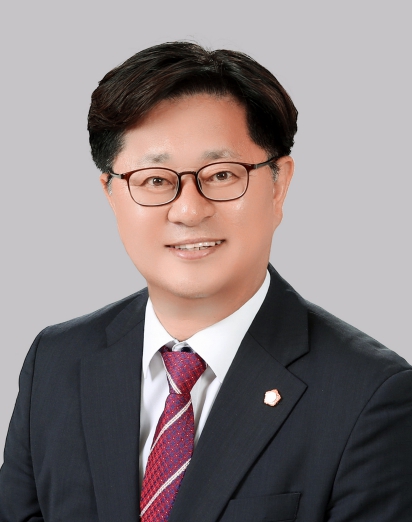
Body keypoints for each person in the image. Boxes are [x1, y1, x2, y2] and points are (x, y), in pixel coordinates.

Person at [0, 41, 411, 522]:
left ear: (278, 185)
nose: (189, 210)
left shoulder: (370, 395)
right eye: (155, 180)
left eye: (221, 175)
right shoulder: (56, 362)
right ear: (111, 193)